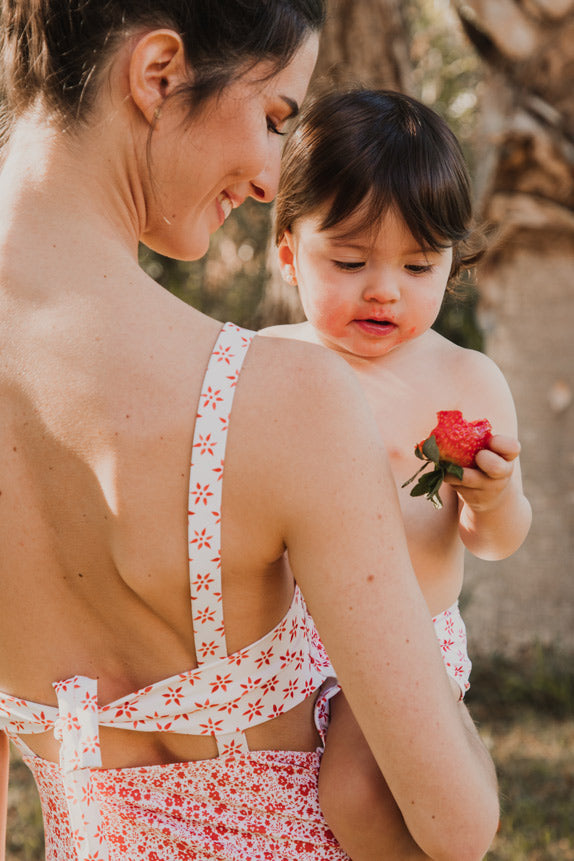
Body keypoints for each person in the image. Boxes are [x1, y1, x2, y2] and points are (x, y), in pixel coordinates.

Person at [0, 3, 499, 858]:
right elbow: (454, 823)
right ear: (159, 73)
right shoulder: (278, 399)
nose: (272, 179)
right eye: (273, 119)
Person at [263, 87, 532, 859]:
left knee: (357, 791)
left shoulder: (465, 378)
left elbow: (496, 542)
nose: (384, 288)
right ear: (288, 252)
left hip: (402, 642)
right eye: (349, 261)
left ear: (452, 259)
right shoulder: (269, 363)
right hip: (283, 640)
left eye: (419, 265)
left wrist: (494, 495)